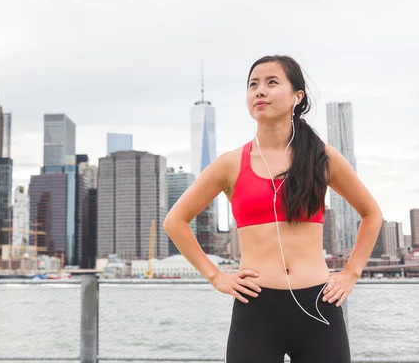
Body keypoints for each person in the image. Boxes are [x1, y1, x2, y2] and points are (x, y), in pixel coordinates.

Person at [163, 55, 383, 363]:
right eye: (253, 84)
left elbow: (372, 214)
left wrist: (351, 273)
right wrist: (215, 276)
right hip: (256, 308)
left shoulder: (321, 157)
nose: (259, 91)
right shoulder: (230, 164)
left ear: (297, 96)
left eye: (272, 82)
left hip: (318, 304)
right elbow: (175, 221)